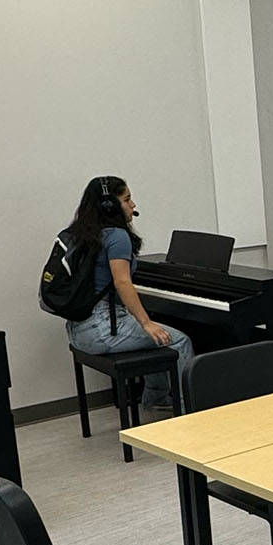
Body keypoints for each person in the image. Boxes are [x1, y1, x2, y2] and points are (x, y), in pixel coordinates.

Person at [60, 175, 192, 408]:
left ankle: (157, 398)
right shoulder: (117, 236)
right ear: (110, 206)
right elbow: (123, 283)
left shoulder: (79, 233)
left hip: (77, 330)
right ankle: (189, 408)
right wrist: (146, 322)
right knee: (179, 341)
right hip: (102, 330)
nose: (133, 205)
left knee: (154, 335)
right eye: (127, 199)